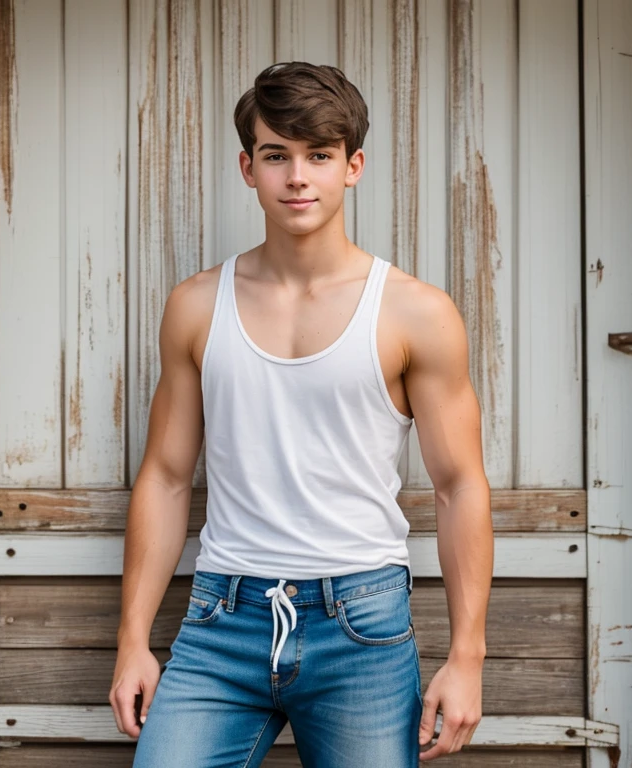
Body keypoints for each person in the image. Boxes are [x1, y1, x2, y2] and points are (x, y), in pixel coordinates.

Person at [109, 61, 493, 767]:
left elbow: (459, 485)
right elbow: (165, 477)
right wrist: (133, 638)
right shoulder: (197, 305)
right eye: (277, 155)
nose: (297, 177)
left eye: (318, 155)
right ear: (248, 166)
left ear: (353, 166)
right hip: (222, 619)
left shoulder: (415, 312)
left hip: (362, 626)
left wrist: (467, 654)